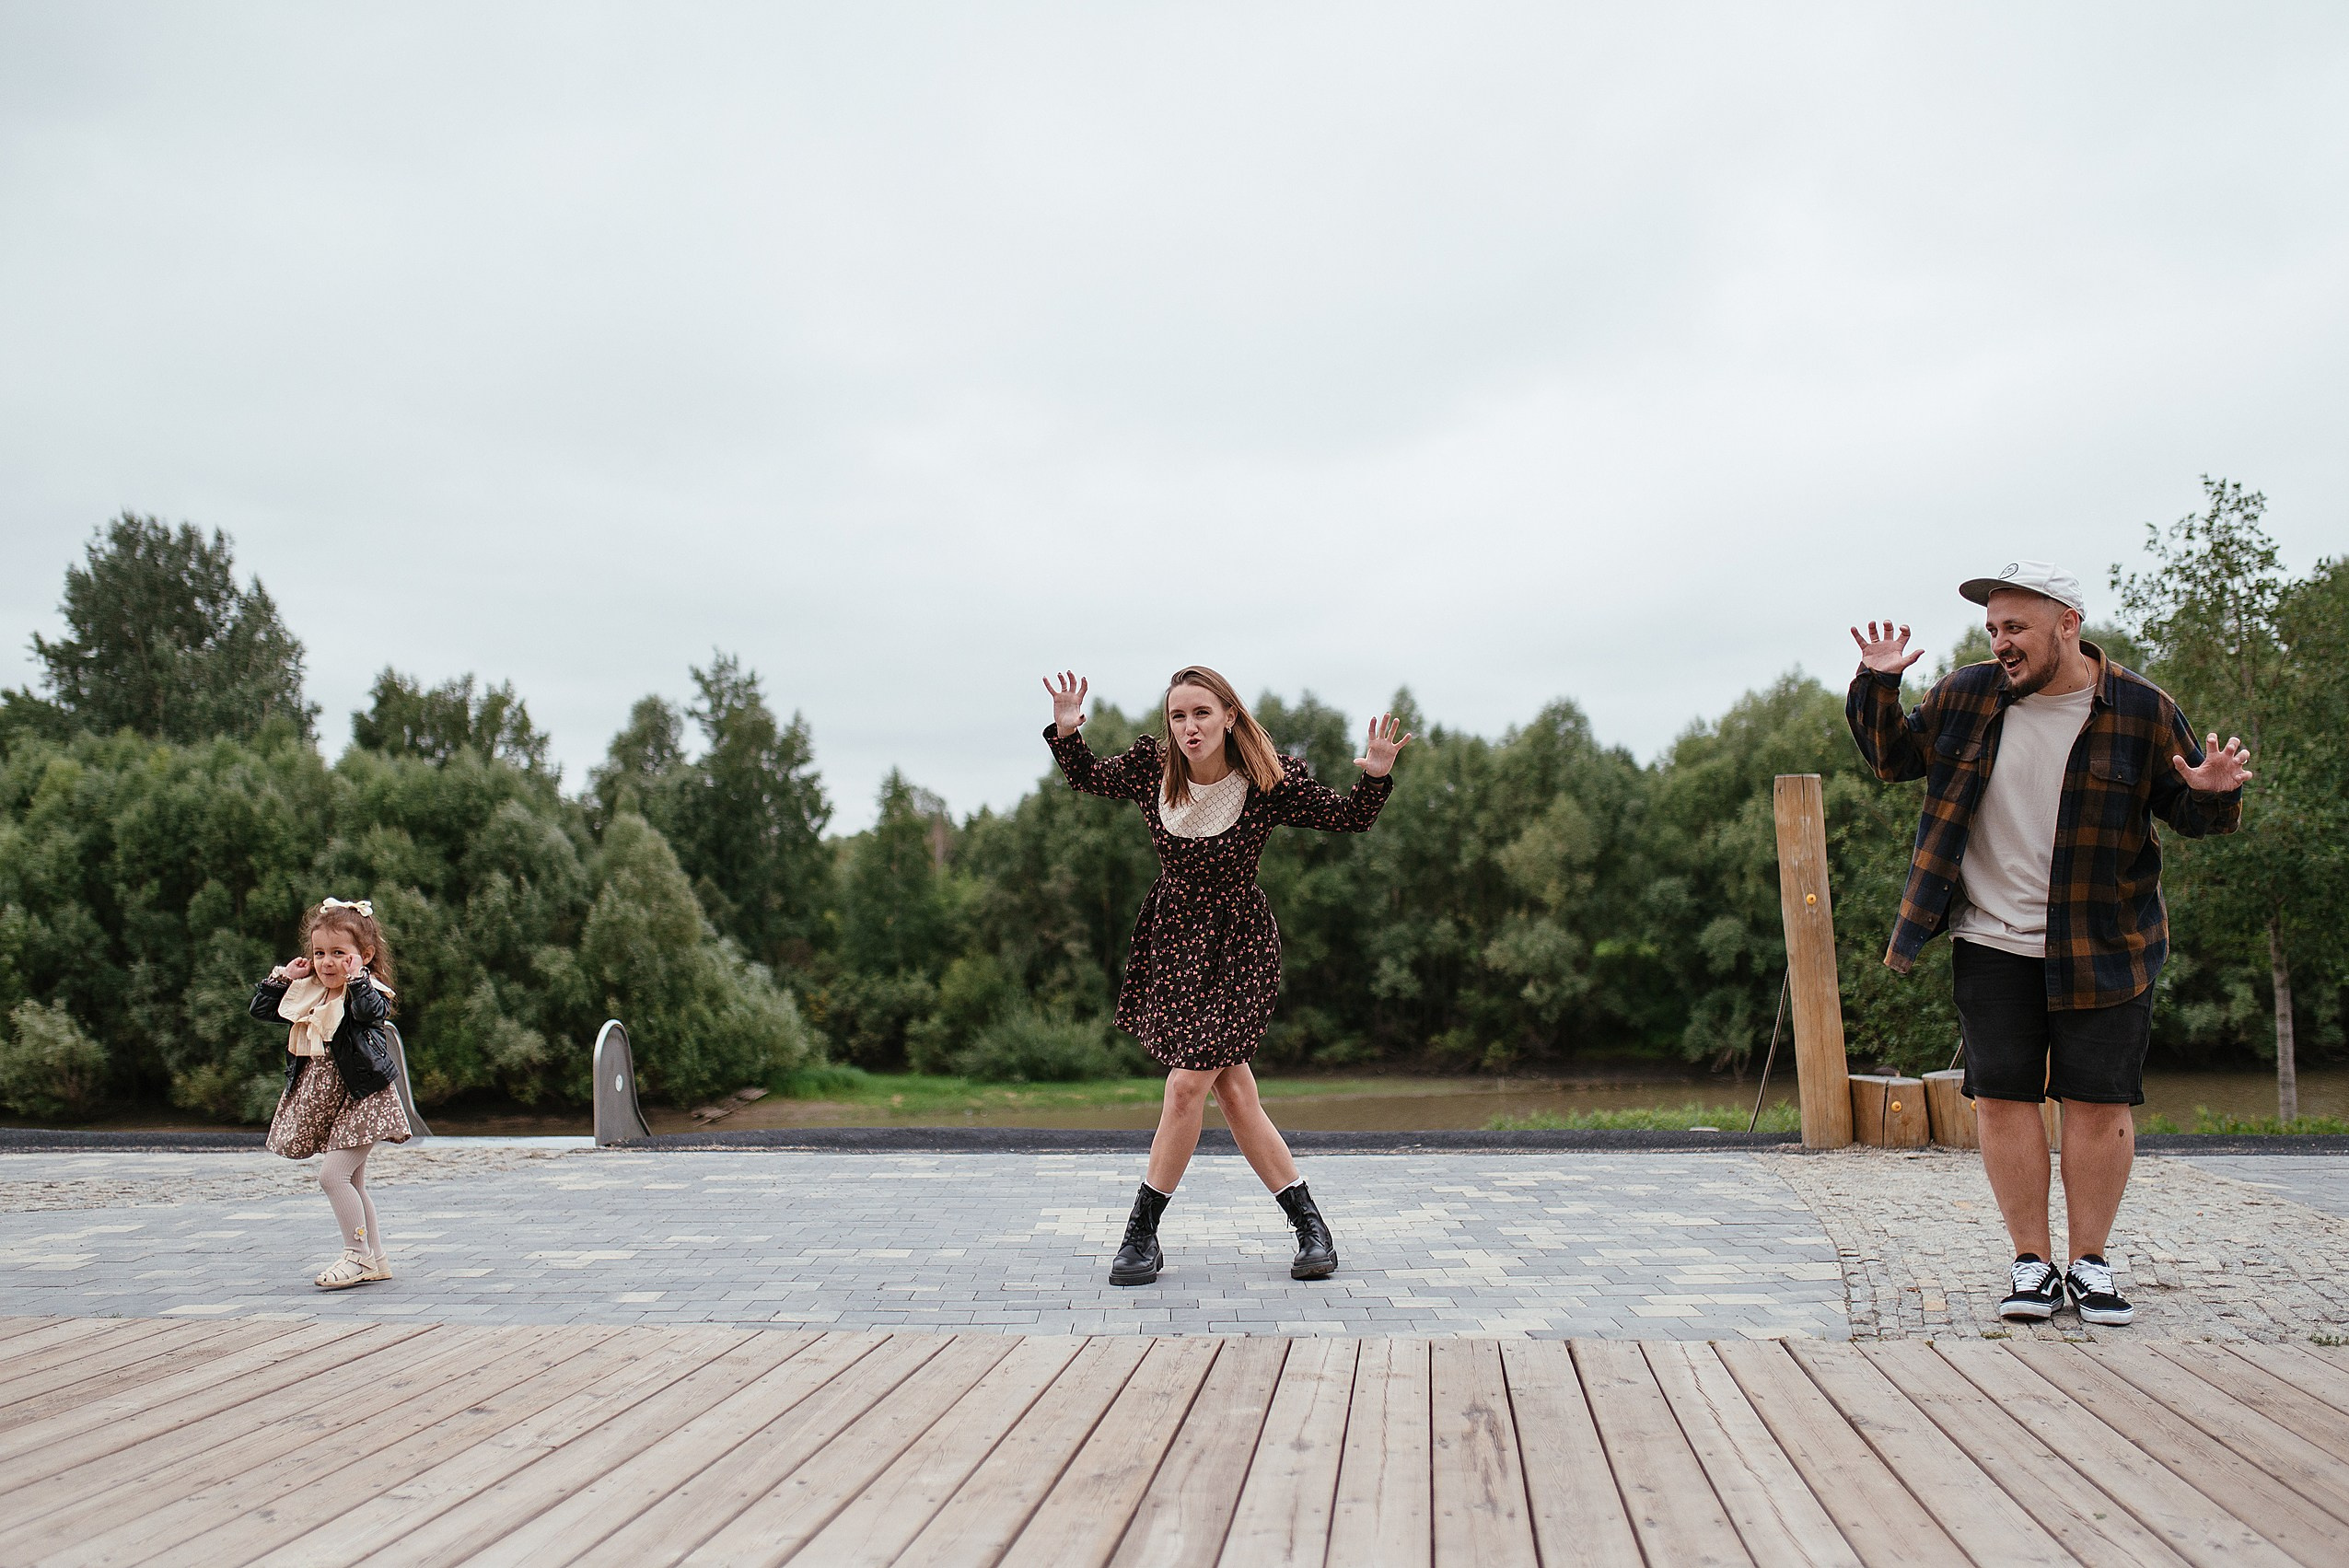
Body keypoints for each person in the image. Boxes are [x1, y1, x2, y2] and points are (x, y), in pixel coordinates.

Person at [1848, 562, 2249, 1327]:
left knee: (2098, 1104)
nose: (1999, 642)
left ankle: (2089, 1263)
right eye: (1992, 628)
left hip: (2104, 938)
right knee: (2002, 1099)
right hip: (1991, 937)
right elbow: (1892, 759)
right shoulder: (1966, 694)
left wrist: (2215, 793)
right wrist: (1877, 687)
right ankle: (2031, 1264)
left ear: (2066, 624)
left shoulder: (2139, 709)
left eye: (2014, 627)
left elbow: (2191, 811)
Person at [1043, 665, 1410, 1285]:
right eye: (1178, 715)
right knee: (1234, 1093)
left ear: (1228, 717)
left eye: (1201, 714)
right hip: (1175, 943)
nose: (1188, 726)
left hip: (1239, 947)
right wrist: (1068, 729)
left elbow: (1350, 816)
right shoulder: (1150, 769)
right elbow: (1084, 776)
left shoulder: (1264, 782)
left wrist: (1374, 774)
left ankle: (1140, 1234)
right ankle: (1309, 1226)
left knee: (1186, 1086)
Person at [251, 897, 413, 1290]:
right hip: (330, 1102)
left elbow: (371, 1012)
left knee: (332, 1176)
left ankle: (355, 1256)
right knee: (353, 1183)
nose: (327, 962)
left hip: (363, 1099)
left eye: (339, 953)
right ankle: (375, 1258)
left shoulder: (366, 991)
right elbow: (262, 1010)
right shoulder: (310, 992)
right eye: (320, 952)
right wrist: (282, 978)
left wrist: (357, 979)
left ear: (364, 955)